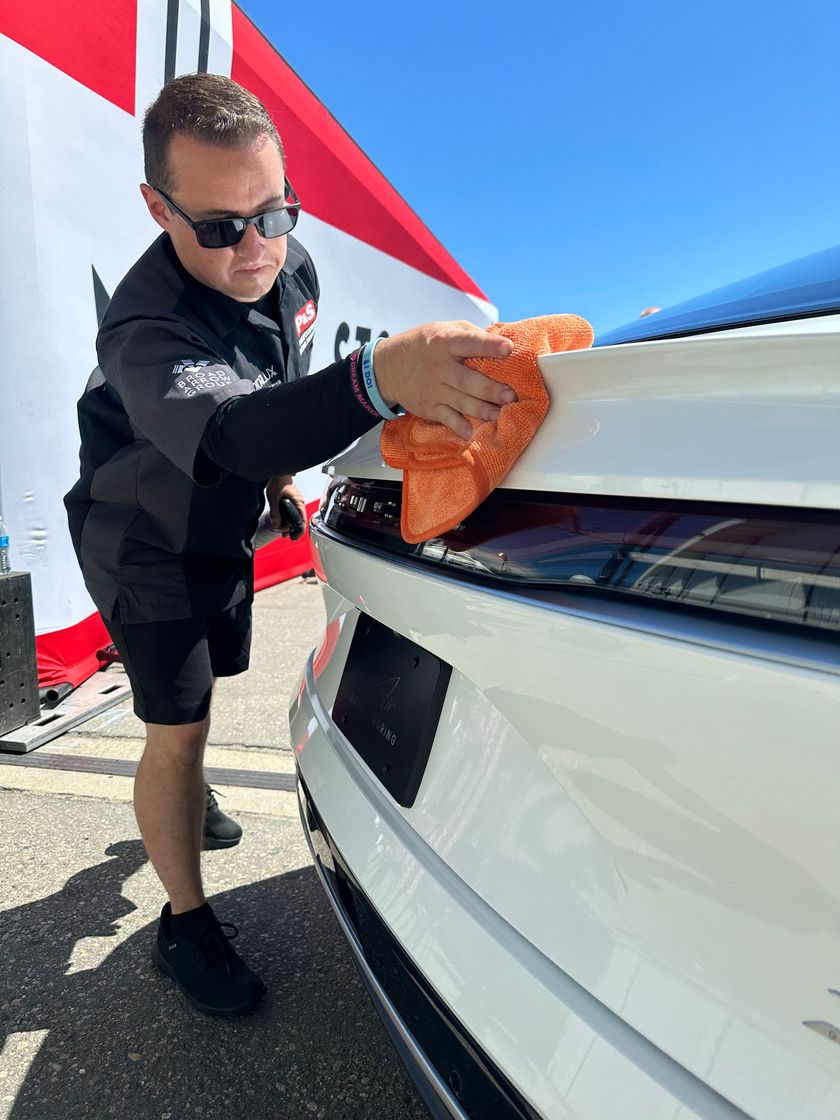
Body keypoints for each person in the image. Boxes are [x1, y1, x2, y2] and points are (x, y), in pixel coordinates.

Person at [64, 73, 514, 1018]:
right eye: (222, 227)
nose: (259, 248)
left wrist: (278, 486)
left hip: (223, 516)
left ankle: (186, 787)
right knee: (176, 726)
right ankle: (182, 922)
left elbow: (272, 389)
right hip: (143, 538)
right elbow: (225, 430)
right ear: (157, 206)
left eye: (275, 211)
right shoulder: (144, 327)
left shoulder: (288, 262)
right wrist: (379, 377)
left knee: (219, 675)